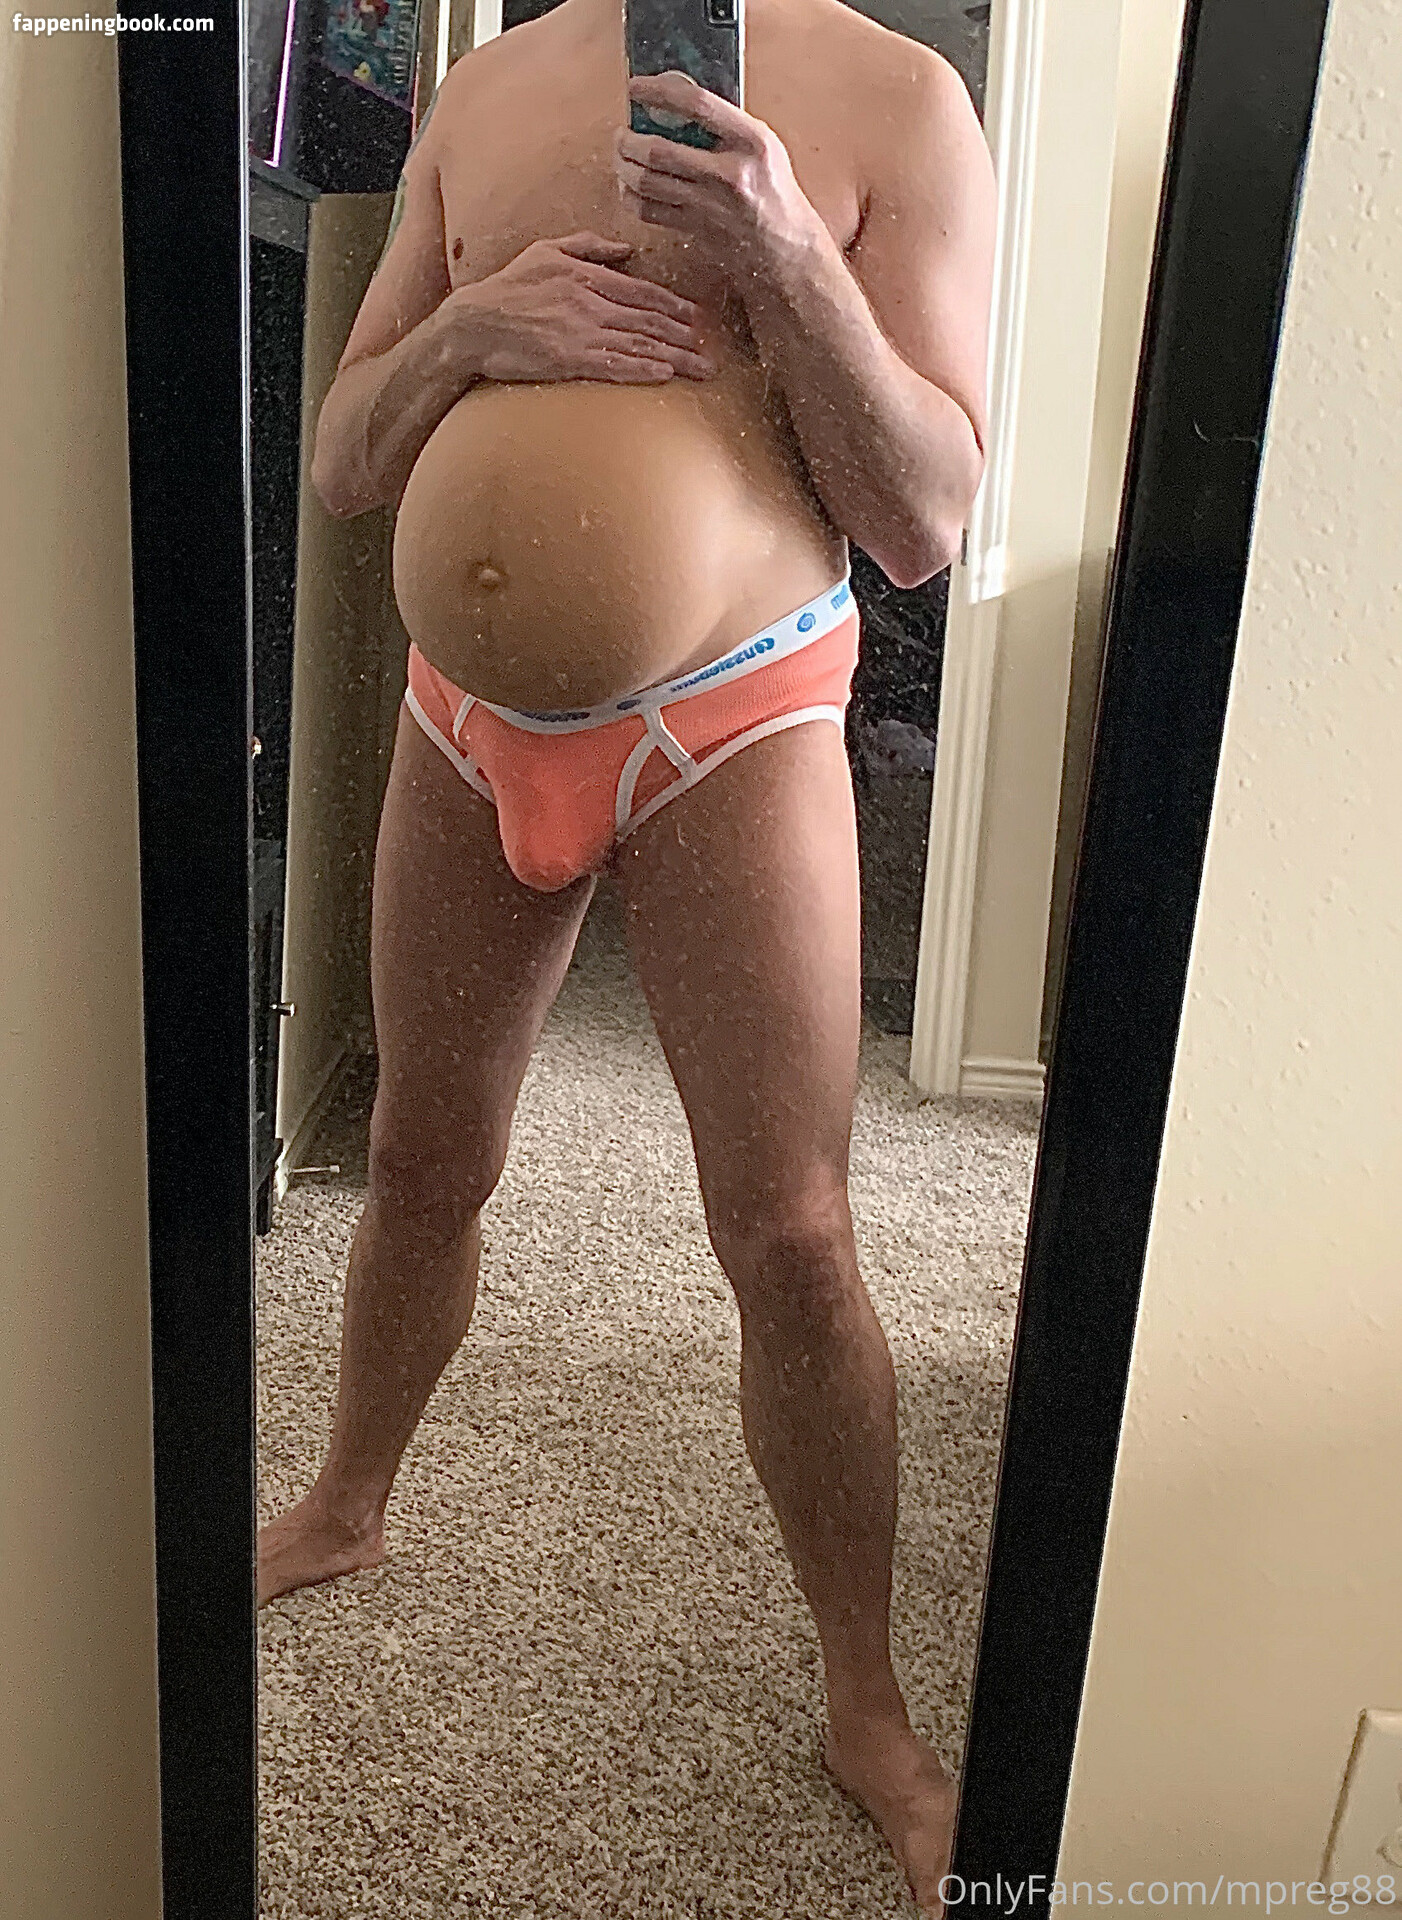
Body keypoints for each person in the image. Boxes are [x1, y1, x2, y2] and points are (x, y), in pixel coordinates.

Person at [258, 0, 995, 1904]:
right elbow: (342, 459)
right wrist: (468, 331)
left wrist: (784, 259)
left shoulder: (897, 96)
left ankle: (865, 1703)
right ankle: (344, 1503)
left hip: (732, 714)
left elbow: (923, 517)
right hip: (458, 718)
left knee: (792, 1230)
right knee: (418, 1159)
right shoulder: (483, 88)